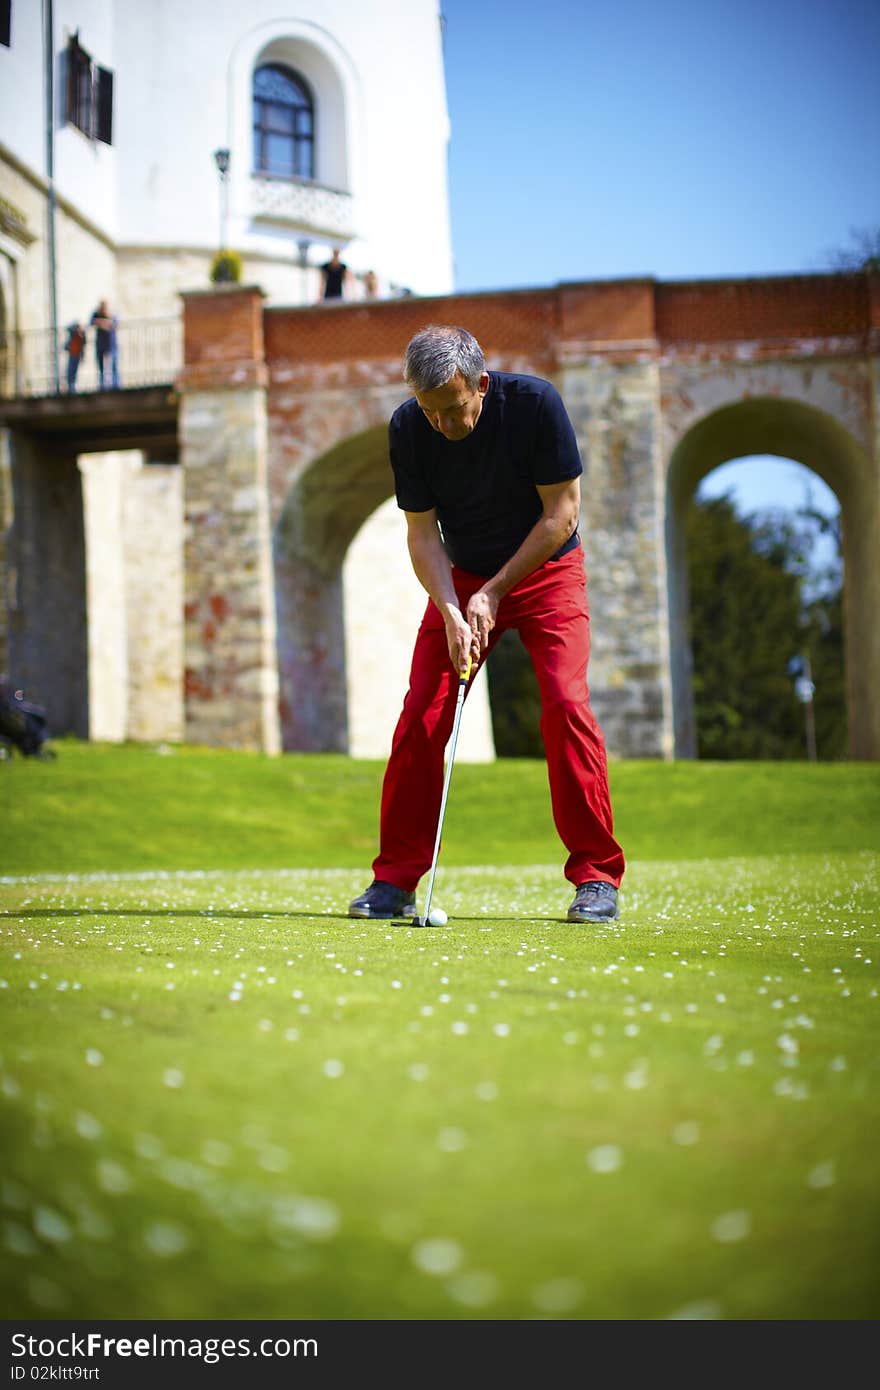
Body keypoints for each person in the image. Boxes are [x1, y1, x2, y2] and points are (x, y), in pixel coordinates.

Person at [349, 325, 625, 924]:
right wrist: (452, 606)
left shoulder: (534, 405)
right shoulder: (409, 428)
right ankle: (394, 880)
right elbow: (422, 535)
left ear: (479, 383)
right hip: (462, 577)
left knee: (564, 702)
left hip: (545, 569)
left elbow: (562, 513)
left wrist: (496, 592)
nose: (443, 425)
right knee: (423, 712)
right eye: (430, 413)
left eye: (452, 409)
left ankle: (597, 876)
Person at [90, 299, 119, 388]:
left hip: (111, 344)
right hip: (100, 344)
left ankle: (116, 384)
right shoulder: (96, 313)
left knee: (113, 365)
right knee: (101, 367)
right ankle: (102, 385)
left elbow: (113, 324)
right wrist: (103, 323)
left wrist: (102, 323)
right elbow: (92, 322)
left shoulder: (112, 314)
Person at [64, 321, 86, 393]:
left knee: (74, 371)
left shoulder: (82, 335)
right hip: (72, 354)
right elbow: (68, 328)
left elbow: (83, 344)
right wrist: (76, 328)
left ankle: (72, 386)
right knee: (70, 371)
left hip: (77, 354)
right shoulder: (73, 332)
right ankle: (70, 386)